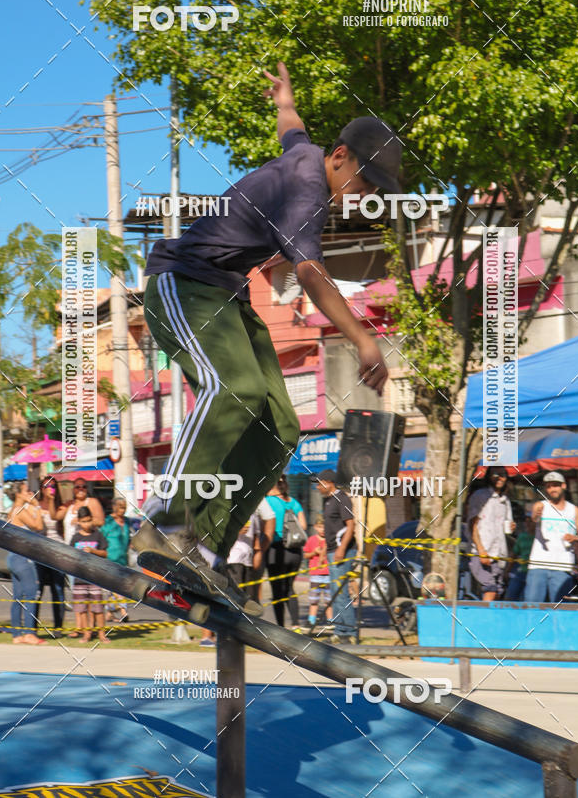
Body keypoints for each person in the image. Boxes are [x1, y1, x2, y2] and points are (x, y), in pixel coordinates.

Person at [131, 61, 400, 612]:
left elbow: (291, 128)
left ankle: (204, 552)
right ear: (341, 158)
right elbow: (309, 275)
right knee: (233, 390)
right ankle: (166, 523)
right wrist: (362, 339)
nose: (364, 195)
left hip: (229, 295)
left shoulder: (307, 154)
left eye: (374, 190)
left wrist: (284, 100)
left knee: (279, 426)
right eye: (364, 182)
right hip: (183, 283)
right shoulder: (307, 193)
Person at [524, 472, 578, 603]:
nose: (552, 489)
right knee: (533, 606)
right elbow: (530, 531)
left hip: (563, 566)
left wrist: (575, 538)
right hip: (539, 565)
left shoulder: (573, 510)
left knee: (560, 609)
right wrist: (534, 518)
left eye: (556, 485)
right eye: (548, 486)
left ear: (563, 486)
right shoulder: (540, 505)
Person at [314, 469, 358, 644]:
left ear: (328, 482)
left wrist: (341, 549)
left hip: (343, 551)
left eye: (319, 483)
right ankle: (340, 630)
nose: (317, 487)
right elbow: (330, 530)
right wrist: (324, 552)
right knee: (335, 591)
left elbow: (350, 525)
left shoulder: (342, 498)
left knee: (340, 592)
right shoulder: (328, 501)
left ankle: (348, 632)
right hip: (332, 551)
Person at [467, 467, 515, 601]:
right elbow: (473, 525)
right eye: (495, 474)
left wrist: (512, 526)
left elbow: (507, 527)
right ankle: (484, 620)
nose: (499, 478)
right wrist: (481, 550)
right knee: (490, 588)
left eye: (503, 475)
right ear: (488, 477)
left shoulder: (505, 500)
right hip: (482, 552)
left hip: (499, 554)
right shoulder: (480, 496)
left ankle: (494, 620)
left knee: (499, 590)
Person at [266, 475, 307, 629]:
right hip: (295, 552)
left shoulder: (267, 502)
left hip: (276, 550)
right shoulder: (294, 502)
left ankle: (280, 627)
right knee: (290, 588)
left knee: (277, 591)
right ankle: (296, 625)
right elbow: (302, 525)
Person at [6, 482, 45, 645]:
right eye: (26, 490)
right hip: (23, 558)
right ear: (19, 494)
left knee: (18, 597)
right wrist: (36, 506)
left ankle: (17, 634)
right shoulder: (21, 510)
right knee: (31, 594)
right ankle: (29, 633)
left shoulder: (12, 510)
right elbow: (38, 526)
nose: (30, 492)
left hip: (13, 557)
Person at [70, 506, 110, 643]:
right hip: (79, 578)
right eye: (84, 521)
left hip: (95, 578)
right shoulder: (75, 538)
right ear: (79, 522)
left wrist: (93, 551)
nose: (87, 524)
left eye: (89, 521)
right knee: (82, 609)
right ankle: (86, 634)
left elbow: (105, 553)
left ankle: (101, 634)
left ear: (92, 519)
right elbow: (70, 556)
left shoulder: (98, 535)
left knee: (98, 607)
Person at [33, 476, 66, 635]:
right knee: (37, 590)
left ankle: (58, 627)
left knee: (57, 589)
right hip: (39, 551)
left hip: (56, 550)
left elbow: (54, 517)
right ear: (41, 488)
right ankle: (33, 627)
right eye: (46, 486)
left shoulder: (60, 506)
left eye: (52, 485)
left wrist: (52, 500)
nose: (49, 488)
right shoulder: (36, 505)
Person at [101, 497, 132, 624]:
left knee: (114, 588)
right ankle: (123, 612)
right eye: (120, 507)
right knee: (118, 587)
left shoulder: (127, 522)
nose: (122, 510)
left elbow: (129, 538)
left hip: (122, 559)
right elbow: (101, 537)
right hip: (110, 559)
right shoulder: (108, 521)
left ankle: (109, 613)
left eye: (124, 507)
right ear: (114, 507)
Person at [303, 515, 333, 629]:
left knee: (329, 600)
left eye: (325, 527)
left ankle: (330, 620)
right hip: (315, 575)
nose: (323, 530)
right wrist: (314, 552)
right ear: (315, 527)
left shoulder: (330, 540)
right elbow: (306, 554)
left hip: (328, 574)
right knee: (313, 600)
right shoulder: (311, 540)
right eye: (320, 527)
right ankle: (311, 620)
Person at [63, 478, 105, 545]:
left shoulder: (92, 501)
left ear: (87, 489)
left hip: (85, 545)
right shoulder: (69, 504)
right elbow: (55, 517)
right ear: (73, 489)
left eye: (84, 487)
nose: (81, 489)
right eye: (77, 487)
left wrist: (82, 520)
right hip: (69, 545)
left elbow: (101, 522)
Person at [251, 498, 276, 603]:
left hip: (249, 556)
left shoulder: (255, 495)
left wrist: (260, 549)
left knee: (251, 597)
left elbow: (270, 518)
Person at [505, 514, 535, 601]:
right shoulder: (522, 537)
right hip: (521, 572)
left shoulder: (539, 538)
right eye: (526, 521)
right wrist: (507, 571)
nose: (527, 524)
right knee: (510, 596)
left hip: (533, 573)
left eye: (530, 521)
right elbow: (513, 554)